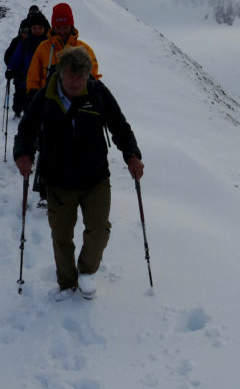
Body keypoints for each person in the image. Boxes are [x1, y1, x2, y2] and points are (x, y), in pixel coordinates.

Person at [13, 46, 143, 301]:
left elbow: (119, 126)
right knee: (61, 235)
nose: (75, 82)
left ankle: (86, 271)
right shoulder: (45, 97)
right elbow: (26, 129)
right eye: (71, 75)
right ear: (61, 72)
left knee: (99, 229)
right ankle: (66, 282)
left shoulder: (97, 93)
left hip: (95, 177)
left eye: (81, 76)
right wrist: (23, 154)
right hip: (57, 179)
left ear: (88, 76)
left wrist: (132, 155)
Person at [25, 3, 100, 99]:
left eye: (65, 27)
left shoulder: (84, 49)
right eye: (58, 28)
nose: (62, 32)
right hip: (48, 101)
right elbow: (33, 76)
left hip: (77, 102)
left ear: (71, 26)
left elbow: (93, 76)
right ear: (53, 28)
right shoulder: (43, 48)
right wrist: (33, 92)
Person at [6, 7, 50, 117]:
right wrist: (10, 68)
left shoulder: (50, 43)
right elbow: (16, 57)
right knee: (28, 108)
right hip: (28, 80)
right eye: (34, 28)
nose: (37, 30)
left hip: (46, 82)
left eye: (40, 28)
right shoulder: (24, 43)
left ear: (45, 28)